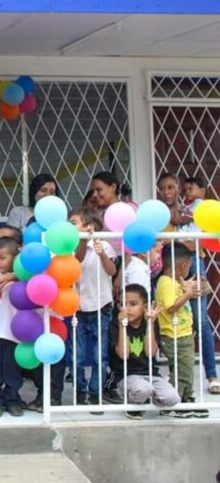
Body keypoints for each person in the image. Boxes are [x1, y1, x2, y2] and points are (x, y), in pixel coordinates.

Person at [158, 173, 219, 394]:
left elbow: (197, 243)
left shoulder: (189, 211)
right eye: (163, 188)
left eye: (172, 187)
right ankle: (174, 373)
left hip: (193, 265)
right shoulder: (158, 216)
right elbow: (161, 245)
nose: (167, 192)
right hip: (168, 271)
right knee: (168, 317)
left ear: (179, 189)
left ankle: (211, 375)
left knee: (200, 320)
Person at [109, 284, 180, 420]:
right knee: (143, 389)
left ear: (145, 306)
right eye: (123, 304)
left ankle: (148, 401)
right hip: (127, 376)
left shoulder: (151, 324)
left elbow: (150, 352)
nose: (127, 308)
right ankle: (135, 405)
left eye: (133, 304)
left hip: (151, 375)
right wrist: (122, 326)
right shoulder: (115, 325)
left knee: (173, 398)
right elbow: (123, 355)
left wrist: (150, 323)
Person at [69, 207, 117, 406]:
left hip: (101, 306)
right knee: (77, 355)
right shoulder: (71, 246)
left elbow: (111, 270)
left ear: (90, 227)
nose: (69, 226)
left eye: (73, 223)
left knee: (100, 355)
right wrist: (82, 241)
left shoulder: (104, 245)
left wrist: (101, 254)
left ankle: (95, 392)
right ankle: (80, 391)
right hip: (78, 308)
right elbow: (78, 259)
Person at [155, 243, 208, 418]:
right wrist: (188, 294)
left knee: (186, 369)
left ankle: (186, 399)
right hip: (174, 335)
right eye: (189, 266)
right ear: (183, 266)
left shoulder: (173, 281)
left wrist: (187, 288)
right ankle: (172, 403)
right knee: (182, 370)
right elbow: (171, 307)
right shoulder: (166, 283)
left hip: (183, 333)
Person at [0, 237, 24, 417]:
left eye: (2, 258)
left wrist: (25, 274)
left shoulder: (26, 278)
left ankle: (13, 399)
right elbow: (1, 279)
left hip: (14, 332)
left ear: (15, 258)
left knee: (12, 368)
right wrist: (23, 272)